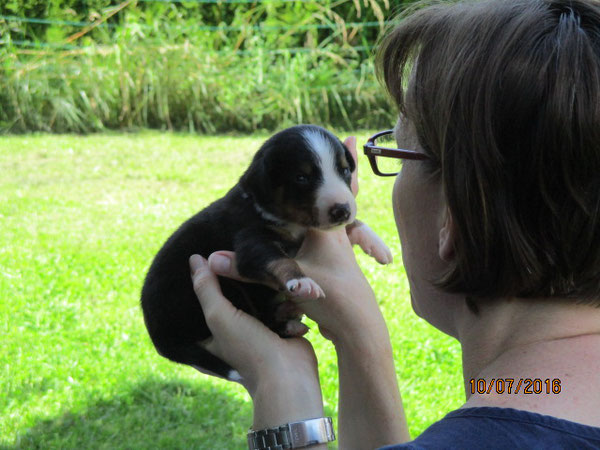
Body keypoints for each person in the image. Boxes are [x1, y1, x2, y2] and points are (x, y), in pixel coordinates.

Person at [188, 0, 600, 448]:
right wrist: (358, 334)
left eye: (399, 154)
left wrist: (282, 388)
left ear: (455, 219)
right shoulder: (531, 389)